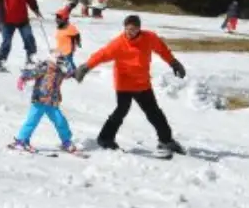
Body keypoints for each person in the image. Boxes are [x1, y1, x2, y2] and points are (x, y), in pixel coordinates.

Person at [74, 14, 187, 157]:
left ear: (139, 29)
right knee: (121, 111)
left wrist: (173, 63)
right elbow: (101, 55)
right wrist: (86, 67)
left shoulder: (149, 38)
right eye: (127, 29)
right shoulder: (118, 44)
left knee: (154, 112)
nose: (130, 32)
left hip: (142, 83)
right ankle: (105, 138)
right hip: (124, 84)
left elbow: (162, 49)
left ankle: (166, 140)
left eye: (133, 29)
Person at [10, 51, 80, 154]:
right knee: (32, 121)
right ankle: (22, 141)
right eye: (61, 61)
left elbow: (70, 73)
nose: (63, 64)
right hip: (39, 100)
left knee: (61, 121)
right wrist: (23, 78)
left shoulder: (61, 71)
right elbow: (32, 73)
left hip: (52, 102)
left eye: (64, 62)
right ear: (54, 60)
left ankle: (66, 142)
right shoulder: (45, 67)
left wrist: (70, 66)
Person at [54, 6, 82, 73]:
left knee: (68, 61)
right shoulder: (60, 27)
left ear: (64, 18)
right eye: (56, 18)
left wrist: (78, 42)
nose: (57, 20)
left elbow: (77, 35)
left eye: (59, 18)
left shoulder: (70, 28)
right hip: (60, 48)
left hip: (68, 49)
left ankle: (74, 71)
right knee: (59, 60)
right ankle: (59, 71)